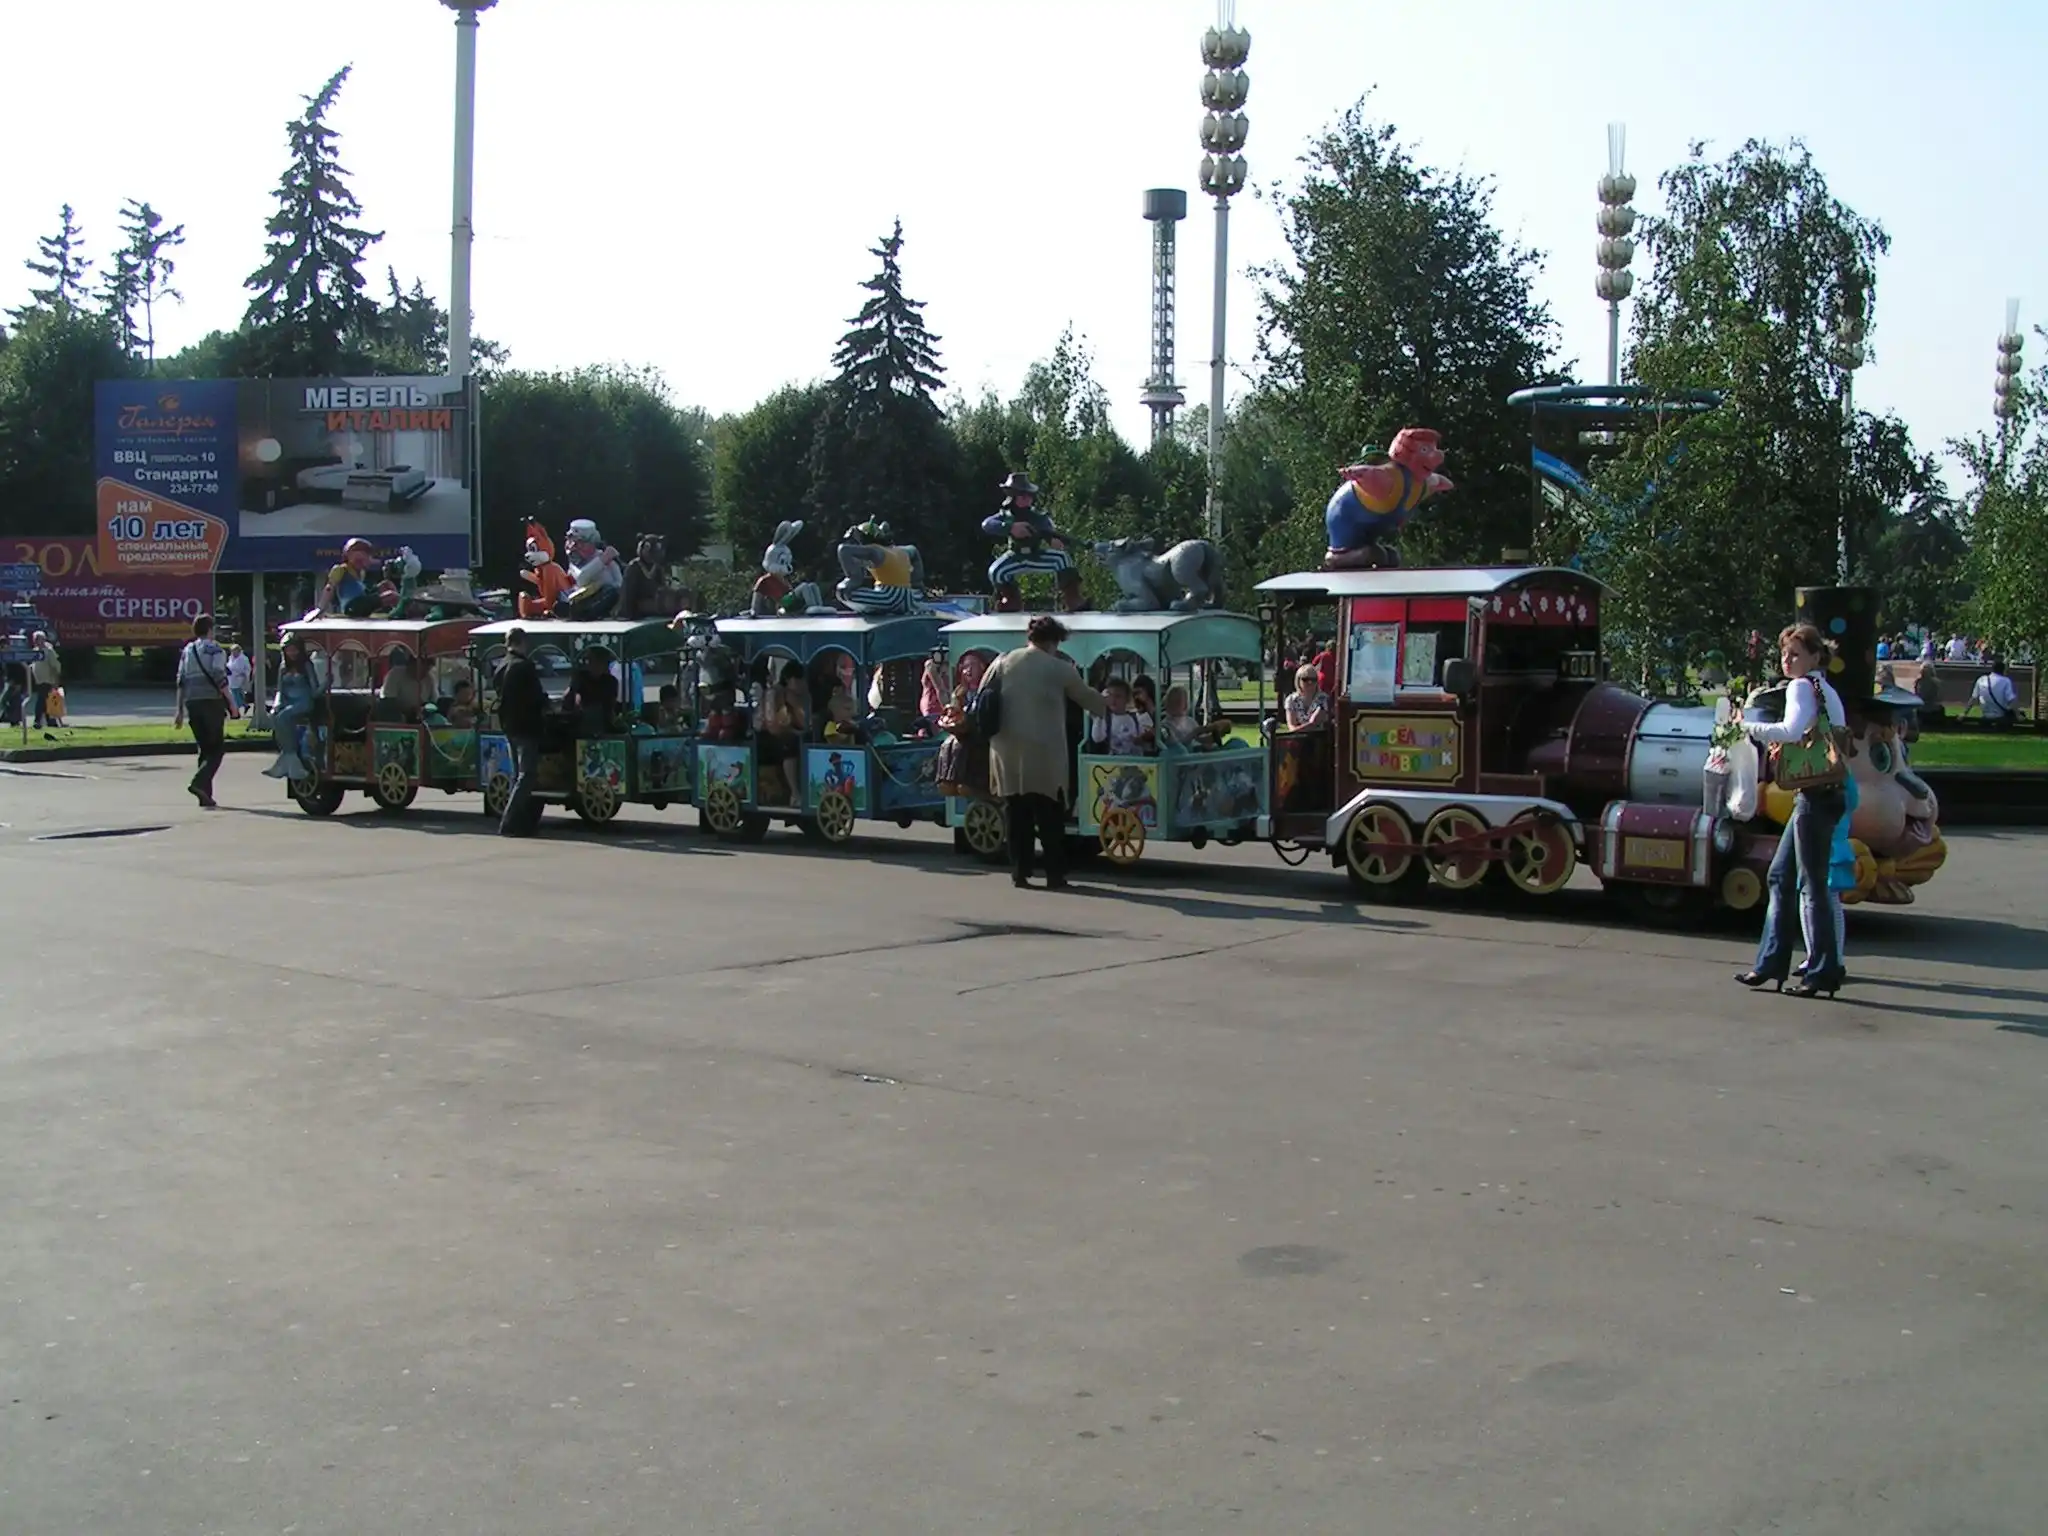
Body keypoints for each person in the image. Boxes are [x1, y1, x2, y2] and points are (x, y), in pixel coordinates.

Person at [1736, 623, 1850, 998]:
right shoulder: (1824, 689)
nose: (1787, 660)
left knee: (1810, 885)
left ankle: (1821, 971)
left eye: (1795, 654)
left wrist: (1746, 727)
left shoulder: (1801, 687)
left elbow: (1791, 730)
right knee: (1780, 876)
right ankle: (1772, 964)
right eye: (1784, 653)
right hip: (1825, 793)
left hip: (1814, 795)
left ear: (1814, 657)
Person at [981, 615, 1108, 889]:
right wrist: (1111, 701)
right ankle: (1054, 875)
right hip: (1045, 752)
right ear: (1054, 641)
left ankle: (1020, 872)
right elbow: (1089, 699)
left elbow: (982, 695)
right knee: (1050, 816)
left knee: (1016, 813)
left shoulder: (1002, 662)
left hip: (1007, 750)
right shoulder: (1059, 668)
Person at [173, 615, 237, 807]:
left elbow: (181, 680)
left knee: (204, 749)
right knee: (216, 750)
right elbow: (219, 676)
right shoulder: (215, 649)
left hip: (192, 703)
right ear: (210, 629)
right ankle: (198, 783)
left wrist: (179, 710)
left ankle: (205, 796)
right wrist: (232, 703)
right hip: (211, 702)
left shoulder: (188, 650)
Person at [496, 628, 548, 836]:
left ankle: (519, 820)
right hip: (527, 726)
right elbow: (536, 696)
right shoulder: (524, 666)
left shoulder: (501, 665)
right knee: (527, 775)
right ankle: (509, 821)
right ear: (523, 642)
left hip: (509, 725)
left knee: (518, 775)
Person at [264, 635, 323, 781]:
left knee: (284, 717)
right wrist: (276, 705)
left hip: (304, 702)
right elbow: (280, 690)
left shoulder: (307, 666)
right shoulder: (283, 667)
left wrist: (326, 683)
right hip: (288, 702)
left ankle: (290, 757)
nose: (292, 652)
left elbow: (314, 691)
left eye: (294, 649)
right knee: (275, 717)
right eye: (289, 649)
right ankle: (289, 756)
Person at [1089, 677, 1152, 755]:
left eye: (1118, 696)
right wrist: (1098, 717)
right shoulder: (1105, 719)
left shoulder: (1137, 718)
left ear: (1127, 699)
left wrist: (1141, 739)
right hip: (1113, 760)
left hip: (1134, 759)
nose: (1113, 699)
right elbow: (1097, 738)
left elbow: (1148, 739)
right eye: (1110, 695)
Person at [1964, 656, 2020, 730]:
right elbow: (2011, 700)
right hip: (2001, 717)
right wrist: (2018, 715)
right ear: (2003, 670)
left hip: (1986, 716)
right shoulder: (2006, 681)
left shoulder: (1981, 679)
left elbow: (1973, 698)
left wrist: (1964, 713)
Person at [27, 631, 61, 734]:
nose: (36, 641)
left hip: (48, 679)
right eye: (35, 639)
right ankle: (50, 721)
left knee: (42, 700)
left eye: (38, 639)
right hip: (39, 680)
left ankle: (38, 721)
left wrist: (56, 680)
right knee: (46, 700)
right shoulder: (35, 651)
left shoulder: (48, 651)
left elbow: (55, 666)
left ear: (43, 639)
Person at [1284, 664, 1329, 730]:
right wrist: (1307, 725)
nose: (1310, 682)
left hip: (1318, 735)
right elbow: (1291, 726)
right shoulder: (1291, 700)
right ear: (1298, 680)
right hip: (1297, 735)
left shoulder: (1323, 699)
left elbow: (1315, 722)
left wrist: (1299, 729)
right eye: (1305, 679)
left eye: (1313, 679)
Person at [225, 644, 252, 715]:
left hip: (239, 679)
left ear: (238, 651)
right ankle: (245, 705)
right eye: (232, 651)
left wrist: (244, 674)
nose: (233, 653)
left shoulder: (243, 658)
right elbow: (229, 665)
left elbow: (246, 668)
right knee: (237, 694)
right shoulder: (231, 658)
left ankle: (237, 709)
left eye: (234, 651)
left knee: (235, 694)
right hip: (231, 678)